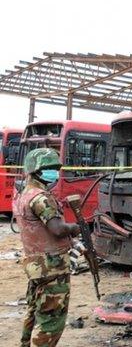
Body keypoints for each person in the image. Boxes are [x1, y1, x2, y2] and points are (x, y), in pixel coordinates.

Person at [13, 148, 80, 347]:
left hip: (36, 266)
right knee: (52, 320)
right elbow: (57, 229)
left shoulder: (23, 195)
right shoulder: (40, 197)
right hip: (52, 266)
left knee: (34, 310)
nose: (54, 173)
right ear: (36, 171)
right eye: (49, 168)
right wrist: (74, 228)